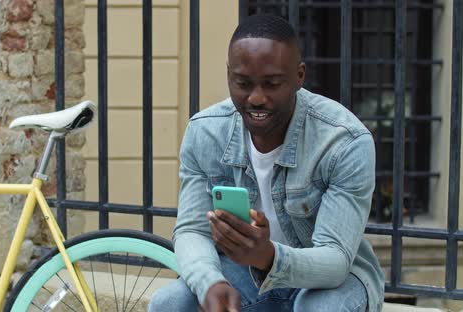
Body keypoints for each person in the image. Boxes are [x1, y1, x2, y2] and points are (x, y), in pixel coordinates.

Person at [148, 13, 384, 312]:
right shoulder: (205, 132)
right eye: (243, 83)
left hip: (331, 283)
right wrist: (210, 282)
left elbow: (335, 260)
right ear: (229, 75)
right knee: (170, 303)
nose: (256, 98)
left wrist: (269, 257)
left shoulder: (344, 141)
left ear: (299, 76)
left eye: (272, 84)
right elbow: (192, 230)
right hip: (244, 274)